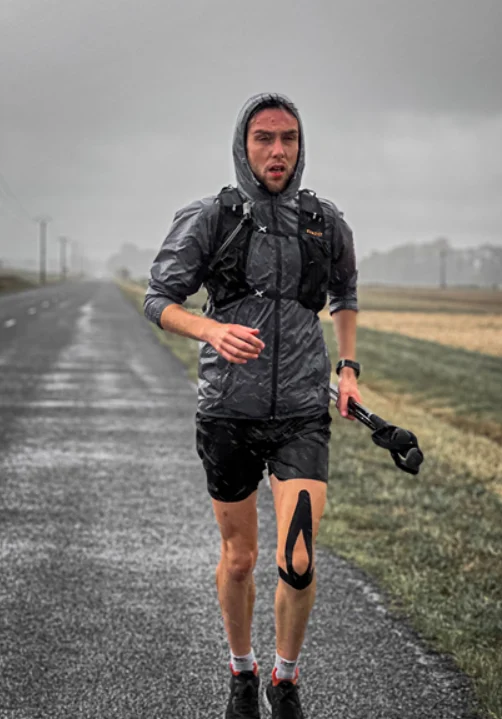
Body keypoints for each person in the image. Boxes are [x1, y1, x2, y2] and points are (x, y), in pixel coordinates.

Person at [144, 92, 361, 719]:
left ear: (300, 145)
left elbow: (345, 294)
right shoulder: (212, 217)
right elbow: (158, 299)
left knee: (298, 556)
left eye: (288, 138)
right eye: (264, 138)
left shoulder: (323, 221)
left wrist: (348, 370)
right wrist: (210, 330)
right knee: (239, 560)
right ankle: (243, 671)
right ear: (244, 145)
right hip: (228, 413)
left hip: (300, 412)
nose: (277, 150)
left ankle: (284, 681)